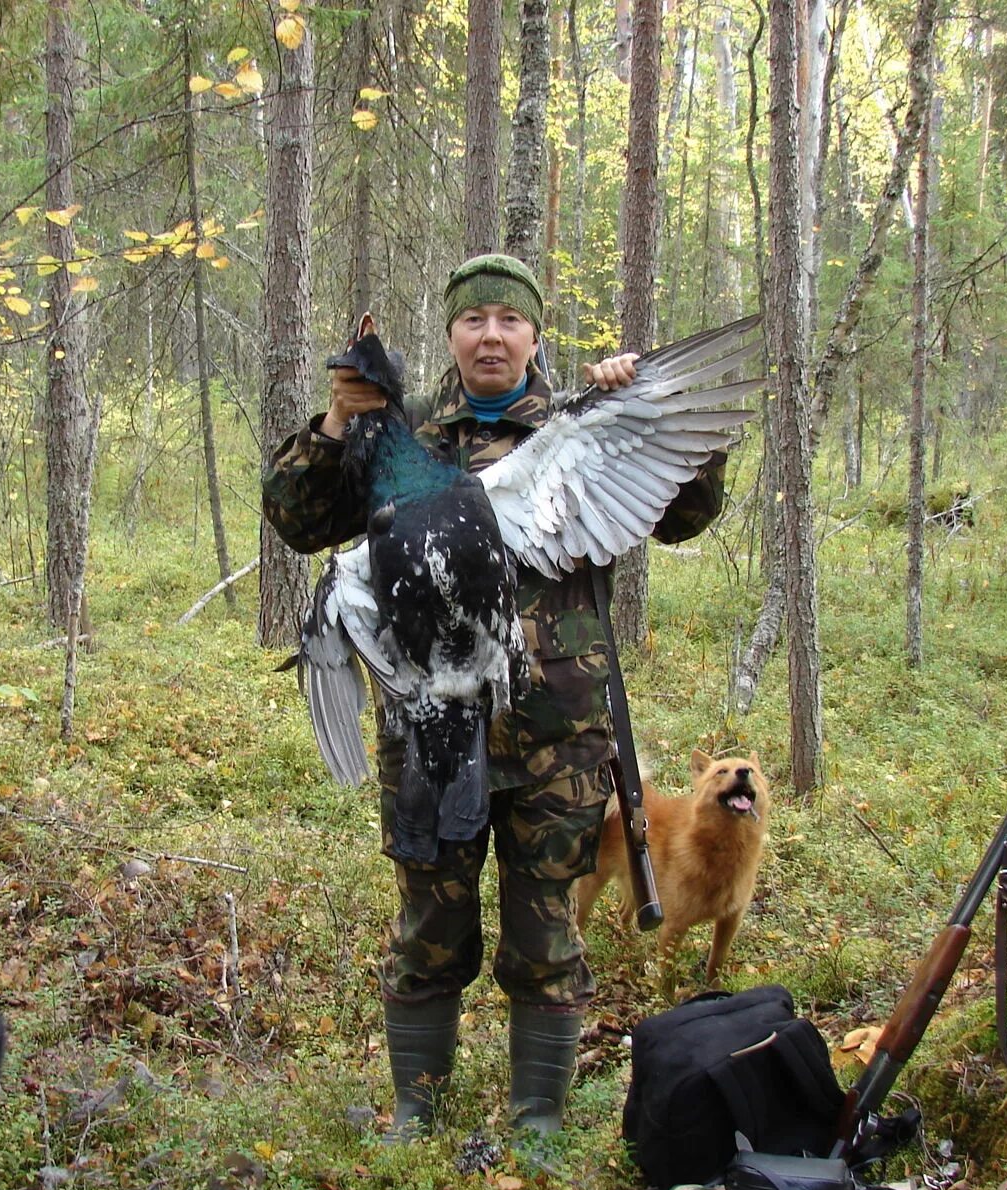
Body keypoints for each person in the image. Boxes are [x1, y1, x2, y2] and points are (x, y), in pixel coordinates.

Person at [261, 253, 727, 1138]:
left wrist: (657, 406)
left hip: (559, 736)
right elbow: (296, 518)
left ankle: (538, 1122)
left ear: (534, 334)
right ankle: (416, 1110)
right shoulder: (394, 433)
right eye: (473, 319)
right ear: (450, 334)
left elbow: (688, 514)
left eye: (509, 320)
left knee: (548, 938)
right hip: (431, 734)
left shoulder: (587, 423)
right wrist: (334, 421)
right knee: (428, 929)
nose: (491, 335)